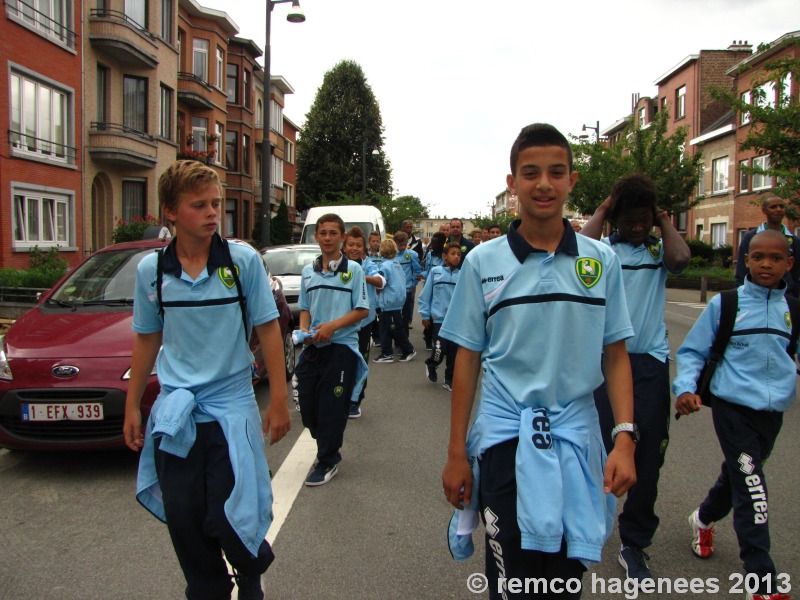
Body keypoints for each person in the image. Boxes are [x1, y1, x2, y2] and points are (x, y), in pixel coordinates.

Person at [441, 123, 636, 599]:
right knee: (513, 584)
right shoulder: (482, 262)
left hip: (577, 439)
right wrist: (456, 453)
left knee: (565, 583)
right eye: (530, 173)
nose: (543, 184)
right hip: (506, 440)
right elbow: (467, 359)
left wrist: (624, 438)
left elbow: (615, 354)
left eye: (556, 172)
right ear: (512, 183)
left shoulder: (600, 261)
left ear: (571, 180)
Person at [123, 160, 291, 600]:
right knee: (184, 517)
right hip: (177, 410)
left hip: (231, 405)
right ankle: (206, 590)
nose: (213, 212)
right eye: (200, 205)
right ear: (171, 213)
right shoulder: (152, 272)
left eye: (216, 203)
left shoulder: (241, 262)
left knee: (228, 514)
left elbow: (269, 328)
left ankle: (249, 571)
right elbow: (146, 341)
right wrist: (132, 405)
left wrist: (279, 399)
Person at [580, 173, 691, 582]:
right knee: (595, 447)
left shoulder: (658, 252)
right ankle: (586, 525)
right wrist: (607, 207)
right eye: (632, 219)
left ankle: (635, 542)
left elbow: (681, 260)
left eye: (646, 219)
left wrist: (661, 217)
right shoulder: (601, 252)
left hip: (648, 364)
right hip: (603, 363)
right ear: (616, 218)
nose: (639, 226)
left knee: (648, 456)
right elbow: (583, 242)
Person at [674, 229, 796, 600]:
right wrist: (685, 389)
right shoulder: (726, 304)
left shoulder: (794, 309)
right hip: (731, 408)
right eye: (758, 257)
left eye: (775, 258)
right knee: (753, 487)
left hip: (772, 412)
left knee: (741, 475)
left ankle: (704, 518)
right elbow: (693, 351)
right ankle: (760, 579)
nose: (766, 264)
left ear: (789, 264)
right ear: (746, 261)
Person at [294, 213, 369, 486]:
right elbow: (305, 308)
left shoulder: (354, 271)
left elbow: (362, 310)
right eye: (323, 233)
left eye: (333, 233)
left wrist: (332, 327)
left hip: (341, 348)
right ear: (316, 236)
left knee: (331, 407)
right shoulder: (308, 271)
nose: (327, 238)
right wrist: (305, 331)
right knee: (307, 408)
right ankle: (324, 442)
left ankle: (328, 458)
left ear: (343, 237)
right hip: (314, 348)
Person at [343, 226, 385, 418]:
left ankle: (355, 400)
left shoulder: (368, 265)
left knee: (360, 362)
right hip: (341, 323)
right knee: (342, 362)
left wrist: (362, 276)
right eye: (350, 244)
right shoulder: (337, 265)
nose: (354, 248)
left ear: (364, 247)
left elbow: (381, 281)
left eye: (358, 245)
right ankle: (340, 397)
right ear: (344, 246)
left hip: (363, 322)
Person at [735, 196, 800, 297]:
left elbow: (796, 273)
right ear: (764, 211)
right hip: (755, 295)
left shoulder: (793, 240)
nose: (778, 209)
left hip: (785, 295)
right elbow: (741, 271)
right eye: (773, 207)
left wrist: (795, 298)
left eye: (781, 206)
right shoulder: (751, 237)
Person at [418, 242, 461, 390]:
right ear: (445, 256)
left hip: (455, 321)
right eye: (453, 253)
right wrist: (425, 314)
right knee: (439, 349)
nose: (456, 257)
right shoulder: (436, 272)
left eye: (458, 254)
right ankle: (432, 364)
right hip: (438, 319)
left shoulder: (462, 276)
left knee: (453, 353)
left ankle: (449, 379)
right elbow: (426, 295)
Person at [373, 238, 416, 364]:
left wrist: (376, 292)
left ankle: (409, 349)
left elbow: (381, 283)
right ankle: (386, 352)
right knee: (384, 328)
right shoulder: (397, 264)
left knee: (395, 328)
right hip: (396, 301)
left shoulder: (385, 266)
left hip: (389, 302)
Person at [393, 230, 422, 335]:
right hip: (394, 291)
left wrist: (413, 285)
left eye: (405, 244)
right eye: (400, 245)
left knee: (405, 317)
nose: (403, 247)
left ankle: (404, 341)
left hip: (407, 290)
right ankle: (397, 340)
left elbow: (417, 271)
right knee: (395, 317)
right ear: (395, 243)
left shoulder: (411, 254)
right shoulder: (392, 255)